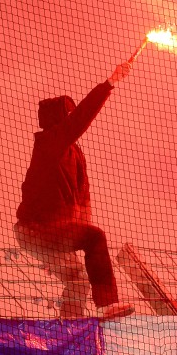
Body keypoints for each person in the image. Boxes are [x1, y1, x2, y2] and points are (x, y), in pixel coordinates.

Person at [14, 63, 135, 320]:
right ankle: (107, 304)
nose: (73, 119)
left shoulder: (74, 154)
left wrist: (78, 230)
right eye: (68, 115)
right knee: (95, 238)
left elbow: (82, 199)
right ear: (59, 121)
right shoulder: (48, 144)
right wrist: (109, 83)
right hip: (37, 230)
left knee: (78, 278)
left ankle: (69, 327)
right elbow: (80, 120)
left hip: (54, 231)